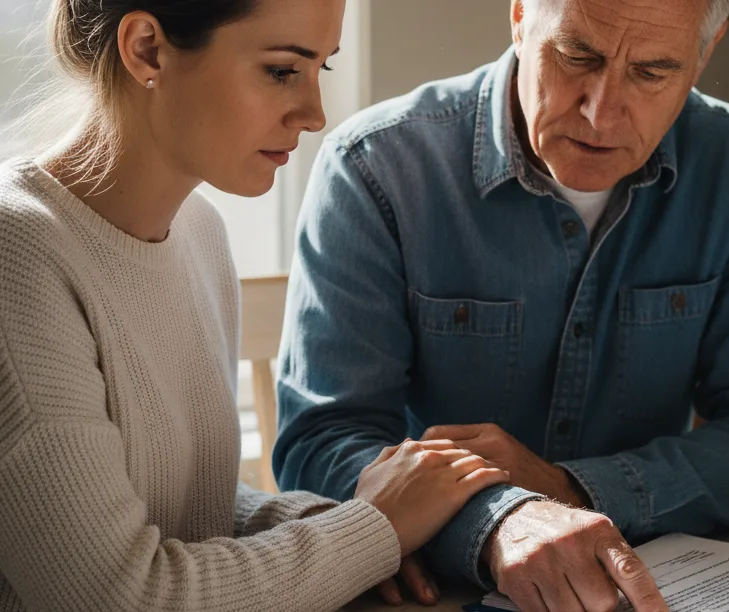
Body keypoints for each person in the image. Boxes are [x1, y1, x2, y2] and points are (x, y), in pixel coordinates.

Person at [276, 0, 729, 609]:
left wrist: (572, 487)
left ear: (705, 53)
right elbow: (321, 445)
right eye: (577, 56)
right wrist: (499, 522)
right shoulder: (377, 167)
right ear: (519, 16)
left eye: (652, 72)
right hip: (439, 590)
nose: (601, 113)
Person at [0, 0, 512, 610]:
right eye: (280, 71)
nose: (316, 115)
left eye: (320, 69)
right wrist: (372, 530)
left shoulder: (198, 231)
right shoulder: (19, 256)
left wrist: (353, 530)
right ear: (146, 49)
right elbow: (118, 595)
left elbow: (192, 503)